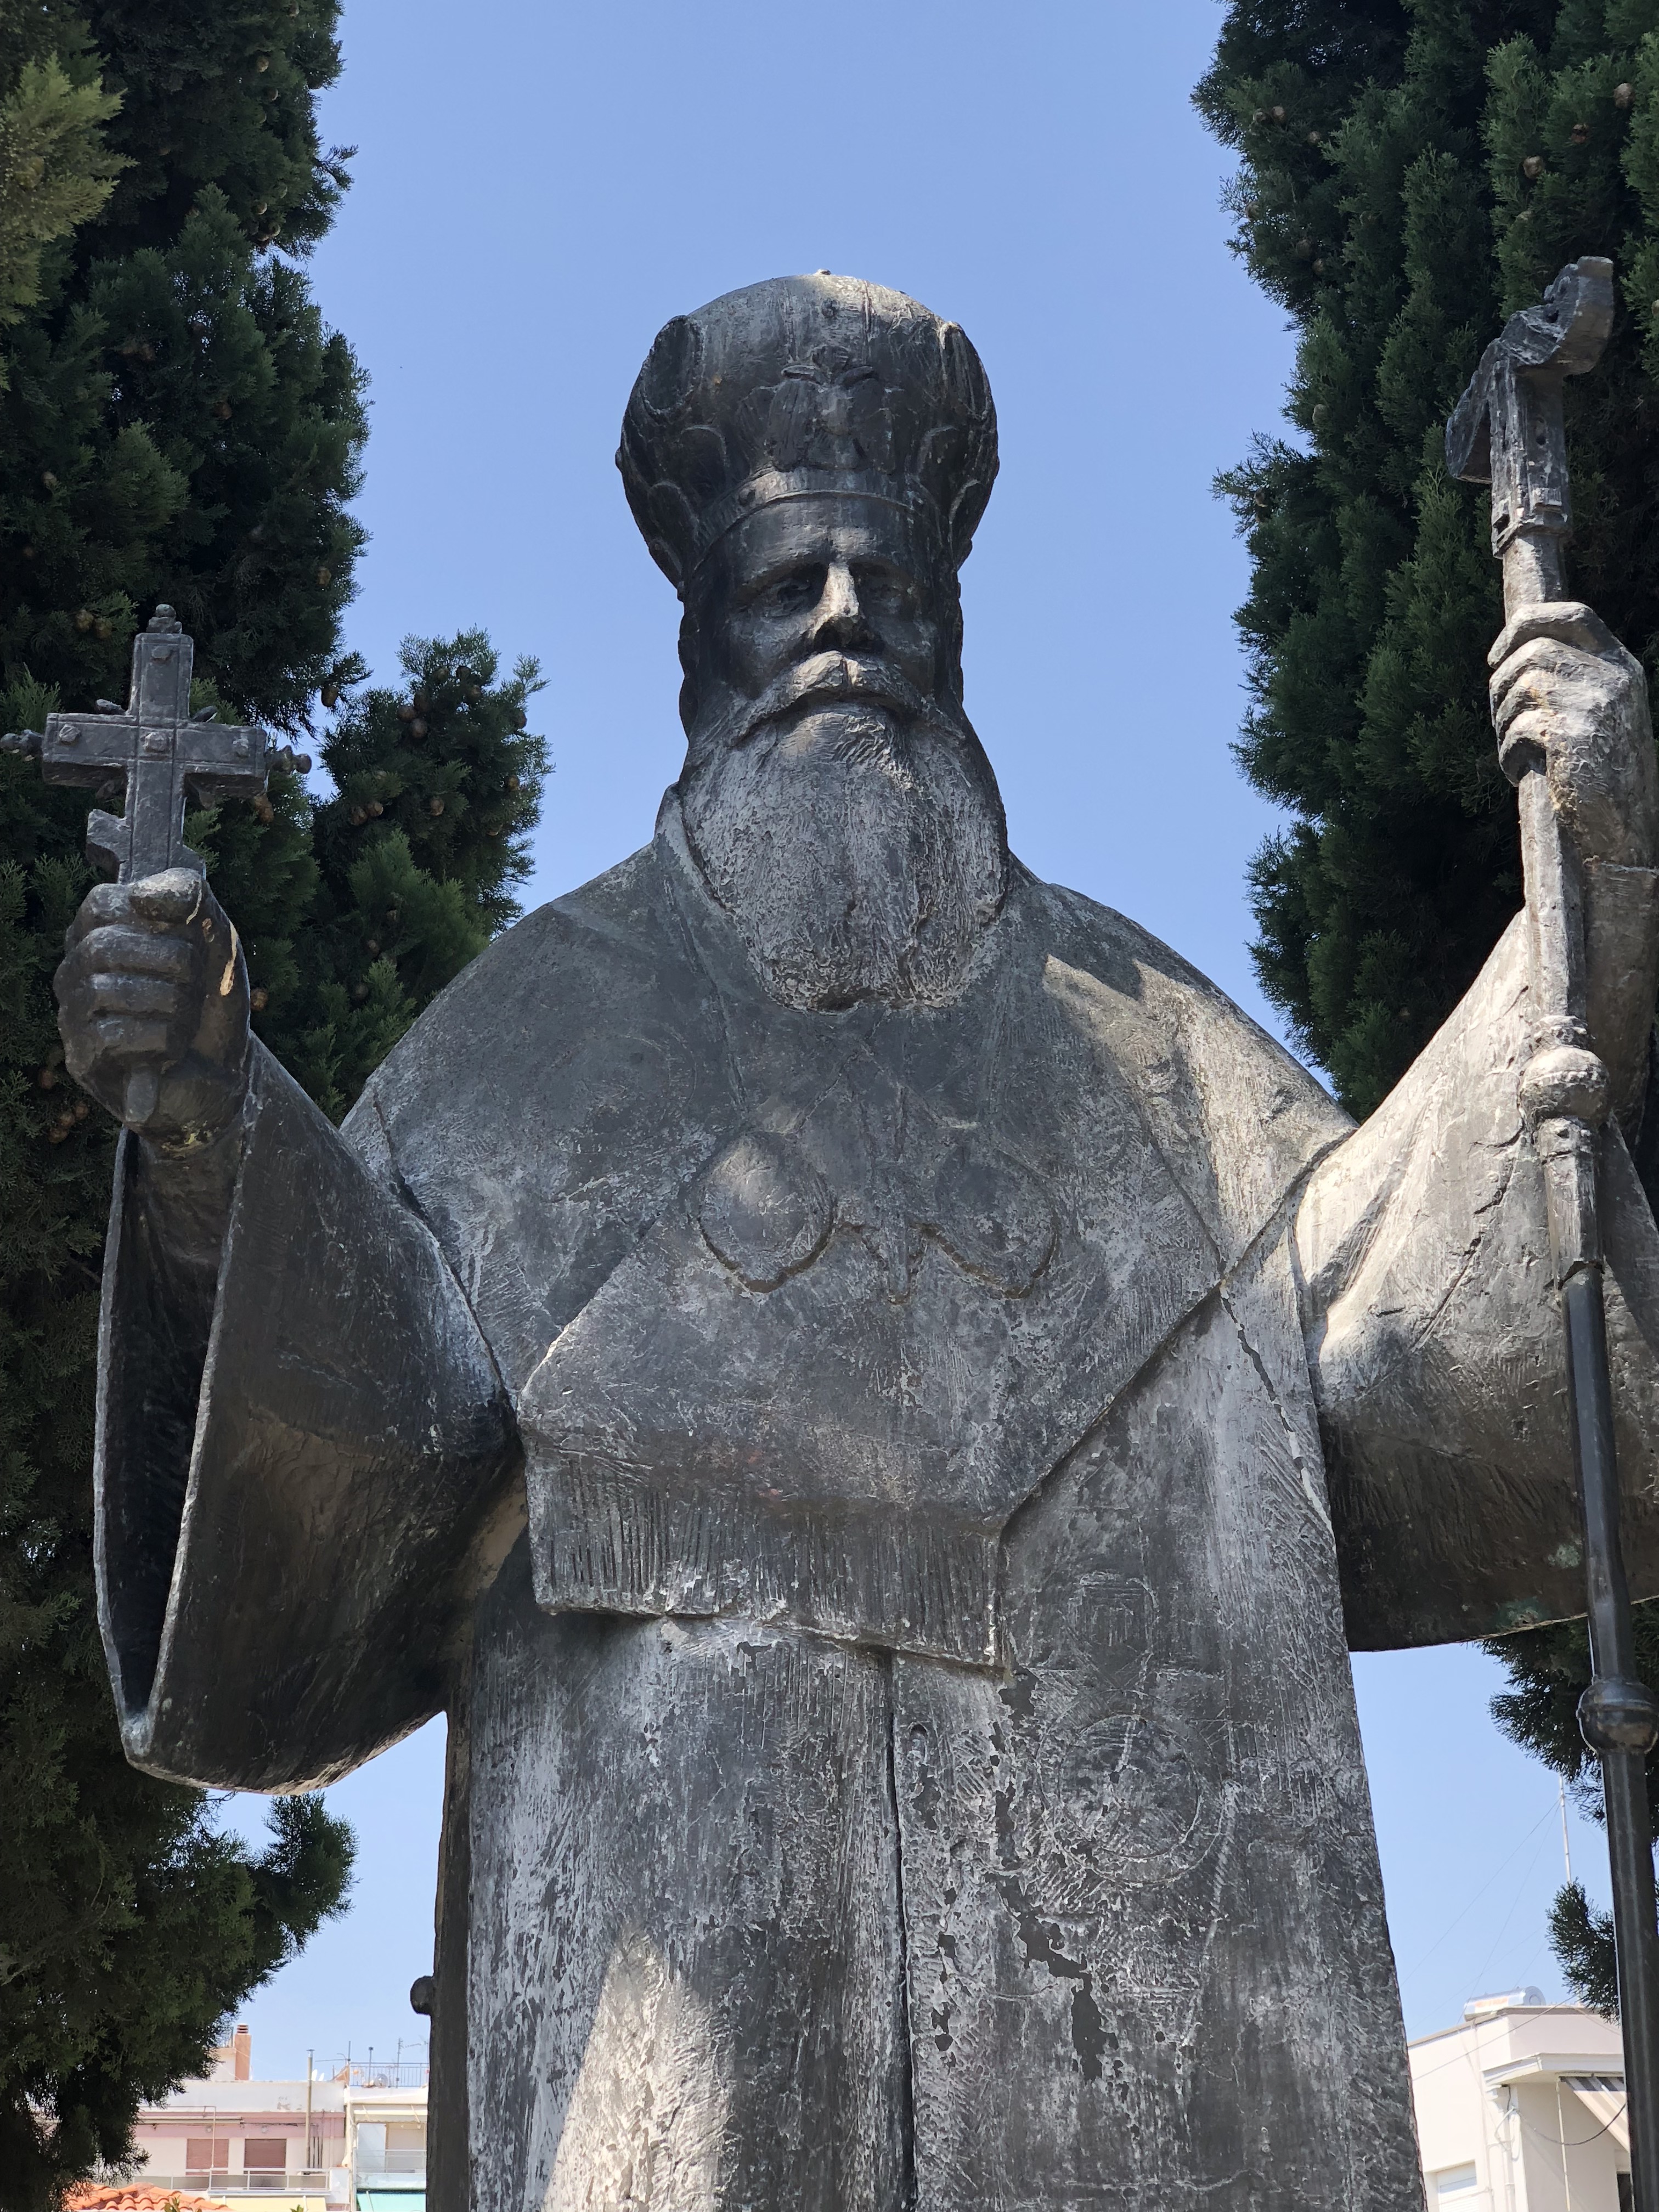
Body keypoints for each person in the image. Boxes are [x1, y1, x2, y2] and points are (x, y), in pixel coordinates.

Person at [58, 273, 1659, 2210]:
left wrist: (1598, 895)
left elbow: (1400, 1347)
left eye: (889, 584)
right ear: (698, 636)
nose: (842, 621)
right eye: (785, 583)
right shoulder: (533, 1044)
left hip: (1154, 2035)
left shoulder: (1163, 1056)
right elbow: (379, 1452)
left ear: (954, 623)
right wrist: (212, 1125)